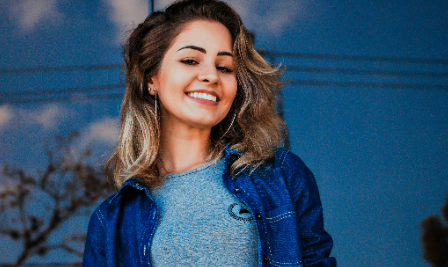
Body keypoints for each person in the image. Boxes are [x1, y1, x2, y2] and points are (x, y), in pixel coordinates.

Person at [83, 0, 336, 266]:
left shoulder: (282, 174)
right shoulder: (109, 223)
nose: (211, 76)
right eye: (191, 60)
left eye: (225, 67)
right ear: (150, 79)